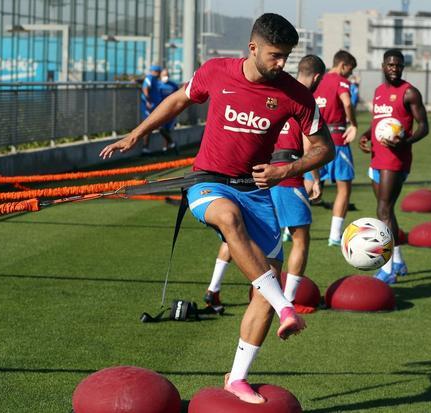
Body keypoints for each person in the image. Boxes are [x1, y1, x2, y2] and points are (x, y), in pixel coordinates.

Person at [100, 14, 334, 404]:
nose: (281, 64)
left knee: (264, 284)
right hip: (208, 182)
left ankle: (237, 377)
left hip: (256, 192)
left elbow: (323, 147)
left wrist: (287, 169)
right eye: (275, 56)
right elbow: (178, 99)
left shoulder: (296, 95)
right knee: (228, 218)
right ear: (253, 48)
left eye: (287, 58)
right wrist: (138, 133)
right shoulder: (216, 72)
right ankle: (285, 307)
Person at [203, 55, 327, 314]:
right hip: (286, 176)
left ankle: (213, 288)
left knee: (236, 235)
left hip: (256, 177)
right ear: (316, 78)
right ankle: (288, 300)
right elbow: (310, 144)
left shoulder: (268, 90)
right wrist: (313, 177)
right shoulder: (297, 98)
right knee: (300, 239)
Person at [358, 49, 429, 284]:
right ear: (383, 66)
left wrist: (405, 142)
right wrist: (367, 135)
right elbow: (380, 123)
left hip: (395, 160)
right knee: (386, 212)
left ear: (403, 67)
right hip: (377, 158)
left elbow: (424, 126)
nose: (394, 69)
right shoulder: (379, 92)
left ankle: (387, 270)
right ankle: (398, 261)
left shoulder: (409, 93)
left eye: (398, 65)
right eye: (390, 65)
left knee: (383, 211)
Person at [305, 50, 358, 247]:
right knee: (344, 188)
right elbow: (346, 102)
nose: (349, 75)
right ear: (343, 65)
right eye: (349, 70)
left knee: (308, 185)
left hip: (315, 139)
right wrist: (353, 123)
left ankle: (288, 229)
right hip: (337, 140)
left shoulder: (318, 80)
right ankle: (335, 235)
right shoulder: (341, 82)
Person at [140, 65, 164, 154]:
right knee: (148, 126)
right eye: (158, 72)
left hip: (154, 106)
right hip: (149, 107)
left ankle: (170, 143)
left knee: (156, 125)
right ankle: (145, 147)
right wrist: (148, 101)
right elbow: (145, 87)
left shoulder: (154, 79)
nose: (159, 74)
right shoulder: (150, 77)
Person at [158, 68, 180, 152]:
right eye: (164, 75)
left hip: (171, 110)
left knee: (168, 129)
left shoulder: (173, 85)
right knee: (160, 128)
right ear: (160, 75)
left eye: (167, 75)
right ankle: (172, 143)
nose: (165, 77)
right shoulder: (158, 85)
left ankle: (166, 147)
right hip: (160, 110)